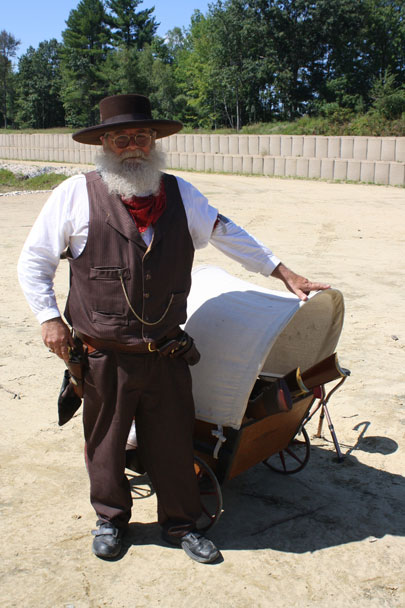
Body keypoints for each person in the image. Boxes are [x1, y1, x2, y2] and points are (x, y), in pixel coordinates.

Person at [18, 94, 329, 564]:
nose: (132, 146)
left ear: (154, 141)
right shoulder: (73, 195)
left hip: (166, 352)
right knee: (105, 442)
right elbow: (33, 262)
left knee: (173, 442)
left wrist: (284, 273)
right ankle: (111, 520)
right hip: (104, 355)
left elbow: (229, 233)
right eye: (120, 138)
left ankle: (182, 524)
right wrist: (49, 318)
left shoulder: (182, 195)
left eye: (141, 136)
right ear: (104, 144)